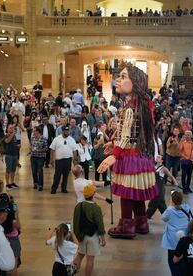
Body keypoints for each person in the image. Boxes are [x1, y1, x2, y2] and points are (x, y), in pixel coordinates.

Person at [97, 66, 157, 239]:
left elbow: (125, 136)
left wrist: (114, 155)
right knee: (136, 193)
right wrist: (112, 143)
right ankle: (141, 222)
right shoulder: (141, 106)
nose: (118, 80)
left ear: (135, 82)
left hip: (129, 156)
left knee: (126, 193)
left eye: (123, 77)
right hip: (141, 156)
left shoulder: (130, 108)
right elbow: (133, 135)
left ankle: (126, 225)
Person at [73, 184, 106, 276]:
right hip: (92, 237)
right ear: (93, 194)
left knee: (79, 256)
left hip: (81, 236)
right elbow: (100, 225)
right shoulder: (96, 208)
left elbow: (75, 222)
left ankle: (71, 273)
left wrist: (77, 236)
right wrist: (103, 239)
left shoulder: (78, 206)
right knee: (90, 259)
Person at [162, 191, 193, 276]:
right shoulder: (186, 207)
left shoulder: (169, 210)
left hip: (172, 241)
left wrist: (170, 205)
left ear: (172, 200)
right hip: (183, 239)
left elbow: (163, 218)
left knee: (172, 261)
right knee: (182, 259)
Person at [146, 154, 178, 219]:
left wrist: (175, 182)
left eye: (159, 157)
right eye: (157, 157)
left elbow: (171, 176)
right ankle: (168, 217)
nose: (157, 158)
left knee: (153, 202)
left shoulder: (164, 169)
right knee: (161, 204)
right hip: (154, 188)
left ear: (162, 160)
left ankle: (147, 216)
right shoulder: (153, 167)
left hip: (160, 189)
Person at [49, 125, 77, 194]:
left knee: (66, 175)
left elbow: (74, 150)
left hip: (68, 160)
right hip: (59, 160)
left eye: (68, 131)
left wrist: (75, 159)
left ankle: (63, 188)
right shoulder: (57, 139)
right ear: (63, 131)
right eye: (66, 131)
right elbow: (52, 149)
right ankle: (54, 188)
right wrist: (51, 159)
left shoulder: (71, 139)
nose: (67, 132)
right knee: (57, 175)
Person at [30, 126, 47, 191]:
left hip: (40, 157)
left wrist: (39, 150)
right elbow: (31, 145)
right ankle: (35, 183)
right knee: (34, 171)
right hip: (33, 156)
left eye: (34, 131)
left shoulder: (43, 138)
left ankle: (40, 185)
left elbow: (46, 148)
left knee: (40, 171)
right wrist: (31, 148)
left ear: (38, 131)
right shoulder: (32, 138)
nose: (33, 132)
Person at [4, 124, 20, 190]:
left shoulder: (14, 136)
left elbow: (14, 144)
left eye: (12, 128)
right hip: (9, 155)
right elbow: (7, 141)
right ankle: (7, 184)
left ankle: (12, 182)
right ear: (7, 129)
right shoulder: (6, 135)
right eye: (10, 128)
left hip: (15, 155)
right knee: (8, 170)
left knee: (13, 170)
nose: (11, 129)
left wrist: (18, 146)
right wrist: (13, 134)